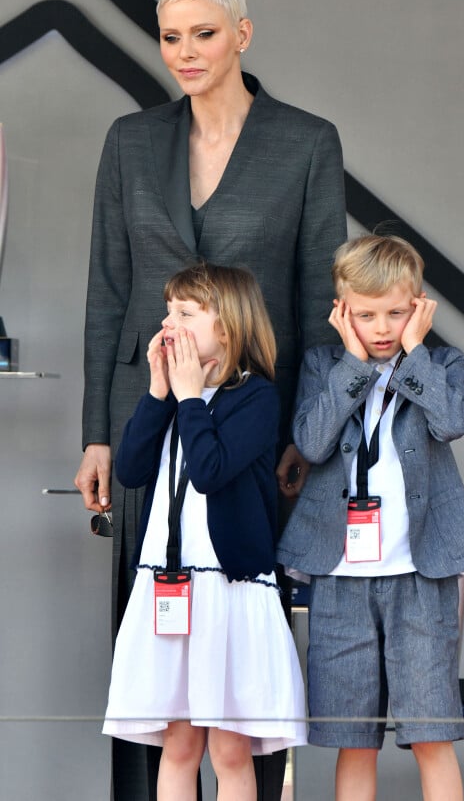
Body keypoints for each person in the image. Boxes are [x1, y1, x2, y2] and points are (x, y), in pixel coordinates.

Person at [74, 0, 346, 800]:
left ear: (242, 35)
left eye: (203, 33)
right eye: (170, 36)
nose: (184, 52)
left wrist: (308, 427)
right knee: (153, 634)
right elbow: (109, 291)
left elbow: (315, 295)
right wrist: (97, 429)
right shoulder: (129, 140)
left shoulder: (305, 141)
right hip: (144, 403)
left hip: (252, 413)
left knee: (238, 628)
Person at [277, 234, 464, 801]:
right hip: (340, 575)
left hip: (421, 573)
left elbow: (450, 423)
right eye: (366, 314)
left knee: (431, 734)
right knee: (355, 737)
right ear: (342, 309)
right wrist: (352, 363)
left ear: (418, 305)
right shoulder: (325, 365)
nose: (382, 327)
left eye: (397, 312)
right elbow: (312, 442)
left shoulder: (441, 363)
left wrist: (415, 354)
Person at [102, 262, 307, 801]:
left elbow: (212, 469)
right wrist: (157, 392)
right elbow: (131, 469)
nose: (169, 323)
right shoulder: (170, 397)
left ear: (229, 326)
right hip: (170, 588)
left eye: (187, 313)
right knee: (179, 745)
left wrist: (191, 397)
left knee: (229, 749)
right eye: (168, 311)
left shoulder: (256, 398)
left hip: (227, 588)